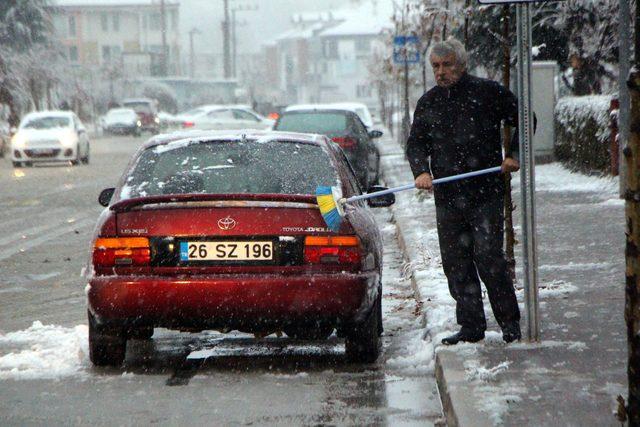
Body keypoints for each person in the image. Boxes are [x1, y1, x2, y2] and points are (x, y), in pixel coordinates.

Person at [406, 38, 521, 345]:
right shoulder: (428, 103)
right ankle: (471, 326)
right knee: (456, 262)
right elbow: (416, 143)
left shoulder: (487, 93)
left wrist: (514, 154)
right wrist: (421, 171)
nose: (441, 72)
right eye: (435, 66)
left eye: (446, 65)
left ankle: (509, 323)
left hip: (485, 193)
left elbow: (524, 118)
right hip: (447, 197)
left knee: (488, 257)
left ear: (461, 64)